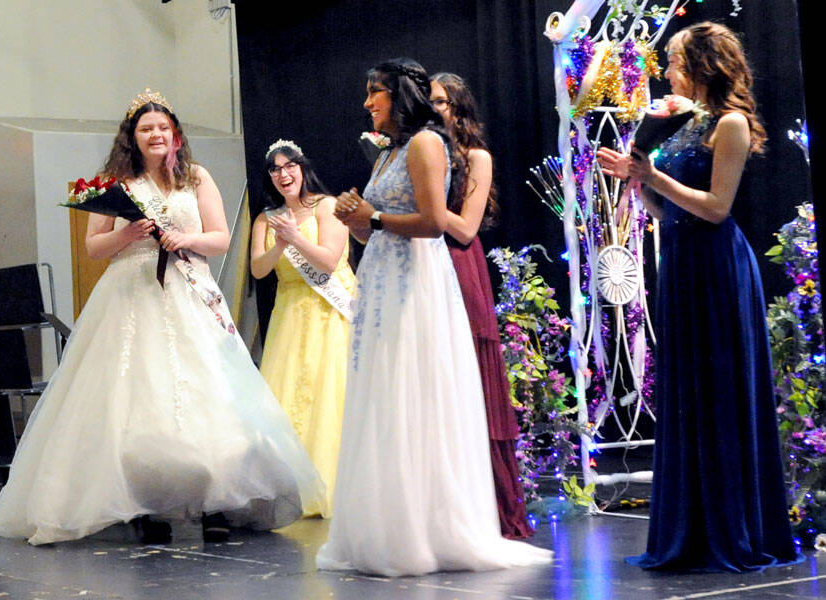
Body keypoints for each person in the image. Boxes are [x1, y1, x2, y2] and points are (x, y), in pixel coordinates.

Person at [0, 89, 325, 546]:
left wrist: (183, 237)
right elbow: (94, 248)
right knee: (136, 399)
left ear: (176, 135)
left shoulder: (196, 177)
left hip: (189, 288)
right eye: (146, 129)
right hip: (131, 292)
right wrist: (127, 233)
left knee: (210, 395)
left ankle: (217, 502)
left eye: (163, 127)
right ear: (133, 137)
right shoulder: (116, 181)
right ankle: (144, 505)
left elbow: (222, 238)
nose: (156, 135)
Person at [316, 58, 552, 576]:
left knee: (411, 390)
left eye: (374, 93)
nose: (366, 103)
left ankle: (423, 531)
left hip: (416, 280)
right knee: (383, 392)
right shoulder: (389, 152)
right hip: (381, 276)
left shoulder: (426, 143)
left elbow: (430, 223)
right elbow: (371, 229)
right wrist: (356, 219)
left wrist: (372, 216)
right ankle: (386, 525)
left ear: (398, 94)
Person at [596, 23, 801, 572]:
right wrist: (638, 181)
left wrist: (653, 176)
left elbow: (715, 208)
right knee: (688, 392)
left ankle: (733, 529)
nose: (668, 70)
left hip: (717, 268)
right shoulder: (690, 126)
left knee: (719, 393)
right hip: (684, 264)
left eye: (675, 60)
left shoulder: (730, 124)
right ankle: (695, 526)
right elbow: (672, 214)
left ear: (704, 64)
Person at [430, 72, 533, 540]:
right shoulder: (419, 153)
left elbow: (467, 228)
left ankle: (491, 506)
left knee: (471, 375)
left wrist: (428, 204)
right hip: (424, 262)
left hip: (459, 264)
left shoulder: (476, 157)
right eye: (428, 102)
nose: (434, 110)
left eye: (441, 102)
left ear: (458, 108)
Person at [250, 140, 357, 517]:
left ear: (302, 167)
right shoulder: (266, 219)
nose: (283, 174)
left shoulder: (326, 206)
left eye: (289, 166)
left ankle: (336, 485)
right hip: (291, 312)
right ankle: (293, 488)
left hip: (330, 312)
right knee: (290, 393)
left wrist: (295, 237)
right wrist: (280, 244)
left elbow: (328, 262)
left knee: (329, 393)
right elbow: (259, 270)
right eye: (275, 169)